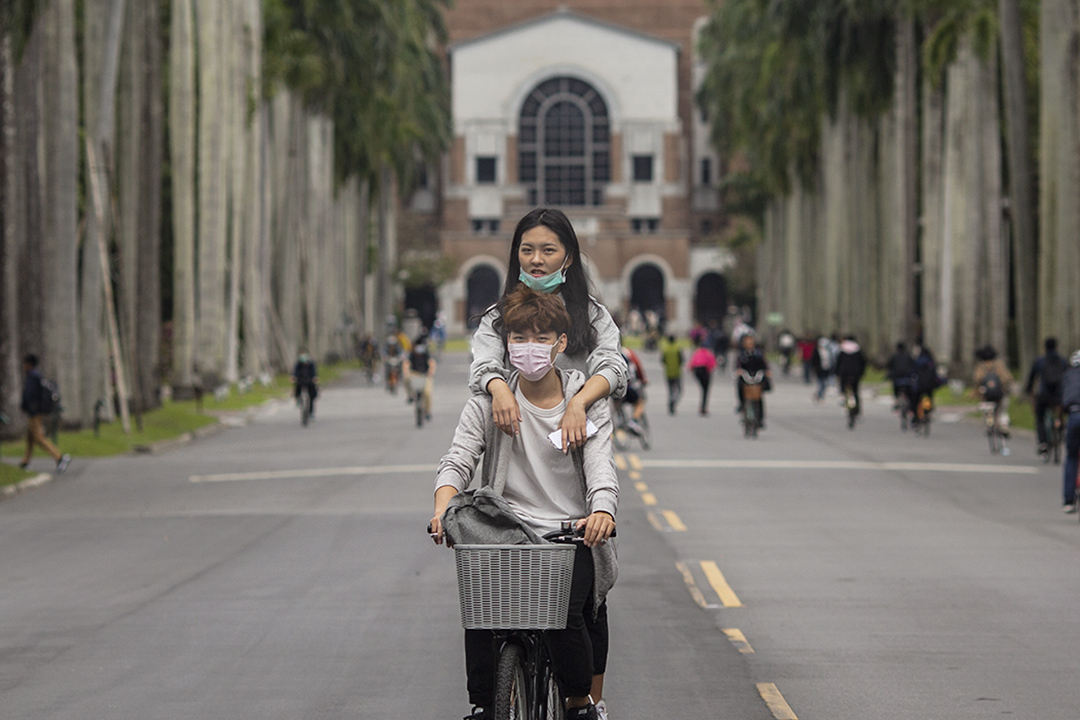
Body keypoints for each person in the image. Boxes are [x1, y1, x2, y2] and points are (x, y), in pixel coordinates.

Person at [431, 286, 618, 720]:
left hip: (570, 534)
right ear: (506, 343)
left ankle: (577, 703)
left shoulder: (584, 402)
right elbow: (457, 460)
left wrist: (603, 510)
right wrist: (442, 508)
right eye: (518, 338)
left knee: (566, 618)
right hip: (505, 531)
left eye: (540, 338)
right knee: (479, 611)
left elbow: (600, 465)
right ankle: (483, 706)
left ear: (561, 343)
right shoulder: (488, 402)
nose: (528, 348)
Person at [468, 208, 627, 452]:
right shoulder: (498, 316)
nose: (536, 260)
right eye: (527, 250)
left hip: (577, 442)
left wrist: (579, 402)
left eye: (548, 250)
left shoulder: (591, 314)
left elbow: (613, 367)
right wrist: (498, 388)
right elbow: (483, 364)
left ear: (569, 258)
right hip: (517, 443)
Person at [18, 354, 71, 472]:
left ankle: (59, 457)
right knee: (30, 437)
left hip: (34, 412)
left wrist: (26, 406)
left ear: (29, 364)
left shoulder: (32, 377)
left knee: (38, 438)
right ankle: (25, 461)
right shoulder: (37, 377)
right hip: (36, 411)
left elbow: (29, 395)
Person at [1024, 337, 1067, 455]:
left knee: (1040, 417)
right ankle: (1061, 428)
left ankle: (1043, 443)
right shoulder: (1063, 361)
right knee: (1060, 412)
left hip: (1044, 395)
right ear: (1057, 346)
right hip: (1059, 395)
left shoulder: (1040, 361)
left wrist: (1029, 390)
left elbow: (1032, 377)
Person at [973, 345, 1014, 436]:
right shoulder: (999, 365)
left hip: (987, 394)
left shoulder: (981, 367)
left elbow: (977, 379)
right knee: (1002, 410)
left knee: (987, 410)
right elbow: (1007, 378)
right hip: (1000, 393)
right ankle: (1004, 426)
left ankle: (989, 425)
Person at [1059, 350, 1080, 513]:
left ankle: (1068, 500)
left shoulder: (1068, 375)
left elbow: (1063, 400)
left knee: (1072, 456)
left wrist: (1060, 419)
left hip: (1073, 416)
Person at [734, 333, 770, 426]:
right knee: (740, 387)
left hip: (757, 376)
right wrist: (739, 371)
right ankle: (742, 405)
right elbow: (738, 365)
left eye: (751, 343)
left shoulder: (758, 354)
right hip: (746, 376)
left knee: (758, 397)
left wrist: (767, 371)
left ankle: (760, 418)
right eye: (747, 343)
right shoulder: (741, 355)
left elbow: (764, 364)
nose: (749, 344)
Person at [405, 333, 437, 421]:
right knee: (406, 379)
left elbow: (431, 363)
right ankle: (410, 395)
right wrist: (406, 372)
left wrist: (431, 372)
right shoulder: (412, 354)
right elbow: (407, 364)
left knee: (427, 393)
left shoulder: (426, 354)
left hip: (425, 375)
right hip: (414, 374)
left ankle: (428, 411)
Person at [835, 335, 867, 418]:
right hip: (855, 373)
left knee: (843, 386)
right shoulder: (858, 350)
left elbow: (838, 362)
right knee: (855, 391)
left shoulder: (842, 349)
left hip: (844, 373)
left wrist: (837, 373)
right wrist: (862, 373)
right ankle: (857, 411)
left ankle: (843, 397)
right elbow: (863, 362)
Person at [619, 342, 647, 432]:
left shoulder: (607, 352)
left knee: (617, 401)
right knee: (640, 402)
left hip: (613, 386)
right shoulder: (627, 352)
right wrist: (643, 379)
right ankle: (634, 421)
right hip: (628, 385)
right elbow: (638, 367)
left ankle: (618, 418)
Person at [687, 338, 717, 416]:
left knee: (703, 389)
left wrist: (690, 369)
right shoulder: (709, 353)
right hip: (705, 370)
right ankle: (703, 407)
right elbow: (712, 364)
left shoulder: (697, 353)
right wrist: (709, 371)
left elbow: (692, 363)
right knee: (705, 390)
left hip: (697, 371)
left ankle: (703, 406)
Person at [886, 342, 917, 411]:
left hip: (897, 379)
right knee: (909, 393)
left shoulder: (894, 357)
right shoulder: (909, 356)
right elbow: (913, 366)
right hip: (907, 379)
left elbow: (889, 366)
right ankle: (909, 405)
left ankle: (897, 401)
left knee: (896, 390)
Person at [659, 334, 684, 415]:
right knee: (679, 390)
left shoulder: (665, 349)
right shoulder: (678, 348)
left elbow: (663, 360)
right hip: (677, 372)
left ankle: (670, 402)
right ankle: (673, 402)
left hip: (668, 372)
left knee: (670, 390)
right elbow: (682, 360)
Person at [291, 351, 318, 417]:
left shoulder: (311, 364)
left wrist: (314, 378)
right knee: (297, 388)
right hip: (300, 380)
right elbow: (295, 372)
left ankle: (311, 412)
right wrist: (294, 377)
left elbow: (314, 372)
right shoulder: (298, 364)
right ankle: (298, 398)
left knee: (312, 394)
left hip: (309, 380)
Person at [811, 336, 833, 403]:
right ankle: (820, 395)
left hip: (826, 369)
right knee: (821, 382)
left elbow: (831, 360)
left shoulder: (828, 351)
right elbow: (814, 361)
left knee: (824, 383)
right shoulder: (817, 351)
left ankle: (819, 394)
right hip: (819, 369)